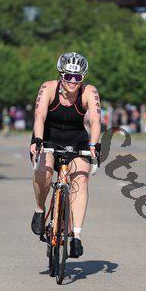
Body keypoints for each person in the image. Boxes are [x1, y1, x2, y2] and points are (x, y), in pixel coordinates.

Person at [30, 52, 101, 258]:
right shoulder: (48, 88)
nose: (73, 81)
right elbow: (39, 116)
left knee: (81, 179)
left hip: (76, 139)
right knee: (43, 171)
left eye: (77, 77)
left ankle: (76, 236)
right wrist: (38, 140)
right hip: (48, 137)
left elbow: (95, 121)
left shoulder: (89, 92)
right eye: (68, 76)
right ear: (61, 75)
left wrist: (94, 144)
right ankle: (39, 209)